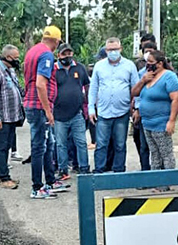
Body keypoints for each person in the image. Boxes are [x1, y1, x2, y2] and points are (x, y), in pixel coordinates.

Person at [23, 25, 69, 199]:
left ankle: (50, 181)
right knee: (39, 147)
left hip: (33, 104)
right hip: (39, 106)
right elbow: (40, 84)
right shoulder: (46, 54)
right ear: (56, 41)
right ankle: (37, 187)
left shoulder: (32, 51)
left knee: (48, 145)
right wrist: (48, 110)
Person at [131, 50, 178, 191]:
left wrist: (172, 121)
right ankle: (156, 181)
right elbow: (134, 93)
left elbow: (176, 99)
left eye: (151, 63)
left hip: (161, 122)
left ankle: (166, 183)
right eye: (147, 62)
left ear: (160, 63)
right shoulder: (146, 75)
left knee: (166, 153)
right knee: (154, 153)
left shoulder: (169, 77)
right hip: (147, 123)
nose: (148, 65)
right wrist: (143, 80)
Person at [89, 37, 140, 174]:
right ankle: (99, 171)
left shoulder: (129, 66)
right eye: (110, 50)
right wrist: (91, 108)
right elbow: (93, 88)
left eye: (115, 49)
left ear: (120, 49)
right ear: (106, 51)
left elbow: (136, 88)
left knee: (120, 144)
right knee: (101, 144)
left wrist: (137, 108)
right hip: (103, 112)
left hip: (122, 111)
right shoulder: (99, 66)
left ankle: (119, 171)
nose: (113, 52)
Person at [0, 45, 25, 190]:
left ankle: (4, 174)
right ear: (8, 57)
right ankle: (3, 177)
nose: (17, 60)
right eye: (16, 58)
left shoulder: (10, 70)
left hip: (12, 116)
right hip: (2, 117)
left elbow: (17, 89)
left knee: (8, 145)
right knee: (1, 147)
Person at [53, 43, 91, 179]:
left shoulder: (80, 68)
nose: (67, 56)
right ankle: (63, 170)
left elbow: (87, 86)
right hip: (58, 115)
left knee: (81, 142)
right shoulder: (54, 69)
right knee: (61, 144)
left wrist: (87, 106)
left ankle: (84, 168)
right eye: (64, 54)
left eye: (69, 53)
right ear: (58, 55)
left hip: (77, 113)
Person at [132, 41, 158, 172]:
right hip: (144, 115)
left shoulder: (166, 74)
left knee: (160, 148)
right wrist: (137, 109)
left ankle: (161, 174)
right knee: (143, 146)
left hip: (160, 117)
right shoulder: (140, 72)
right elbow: (135, 93)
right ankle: (145, 172)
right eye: (147, 51)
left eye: (152, 51)